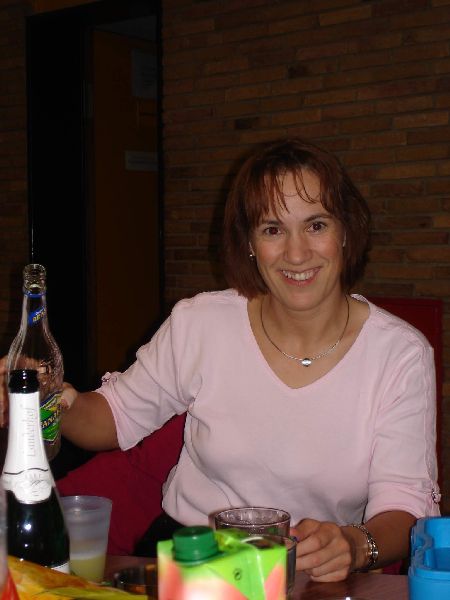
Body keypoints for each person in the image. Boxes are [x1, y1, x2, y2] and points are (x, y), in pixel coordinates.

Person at [1, 138, 440, 582]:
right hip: (189, 563)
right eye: (272, 229)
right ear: (249, 243)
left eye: (316, 225)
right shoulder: (201, 322)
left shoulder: (399, 354)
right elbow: (113, 418)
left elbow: (405, 507)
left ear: (345, 232)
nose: (296, 253)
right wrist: (51, 399)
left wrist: (354, 545)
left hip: (309, 578)